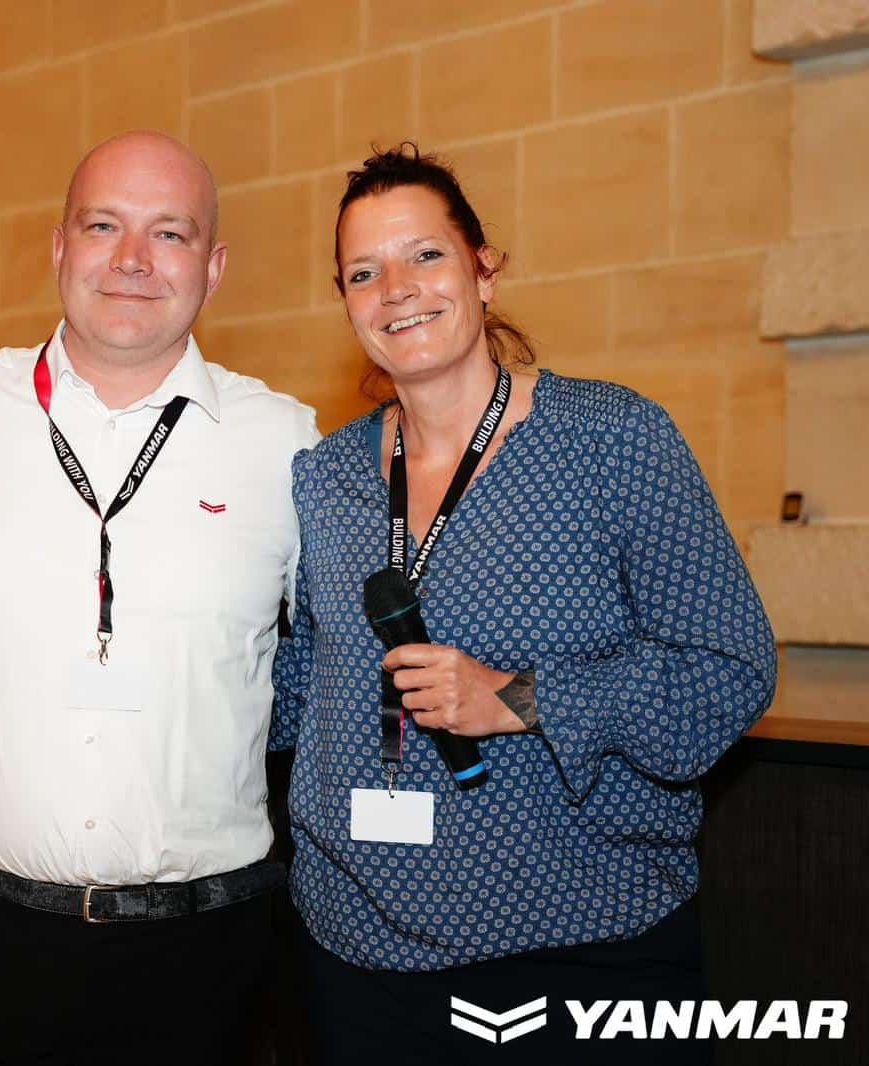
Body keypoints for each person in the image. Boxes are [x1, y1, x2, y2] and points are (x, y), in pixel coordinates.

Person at [272, 144, 777, 1065]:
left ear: (483, 270)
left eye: (425, 254)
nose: (396, 288)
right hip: (355, 957)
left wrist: (516, 696)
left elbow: (729, 672)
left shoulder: (611, 440)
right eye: (362, 270)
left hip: (583, 954)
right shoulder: (324, 476)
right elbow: (305, 682)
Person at [0, 130, 320, 1065]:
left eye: (170, 233)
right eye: (102, 225)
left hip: (201, 959)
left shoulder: (286, 446)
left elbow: (342, 666)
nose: (131, 260)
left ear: (214, 265)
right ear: (58, 247)